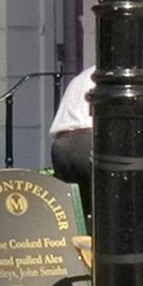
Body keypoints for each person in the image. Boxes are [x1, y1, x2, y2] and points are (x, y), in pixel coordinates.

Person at [47, 64, 95, 201]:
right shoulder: (117, 74)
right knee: (101, 205)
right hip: (87, 142)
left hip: (61, 145)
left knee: (71, 207)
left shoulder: (79, 78)